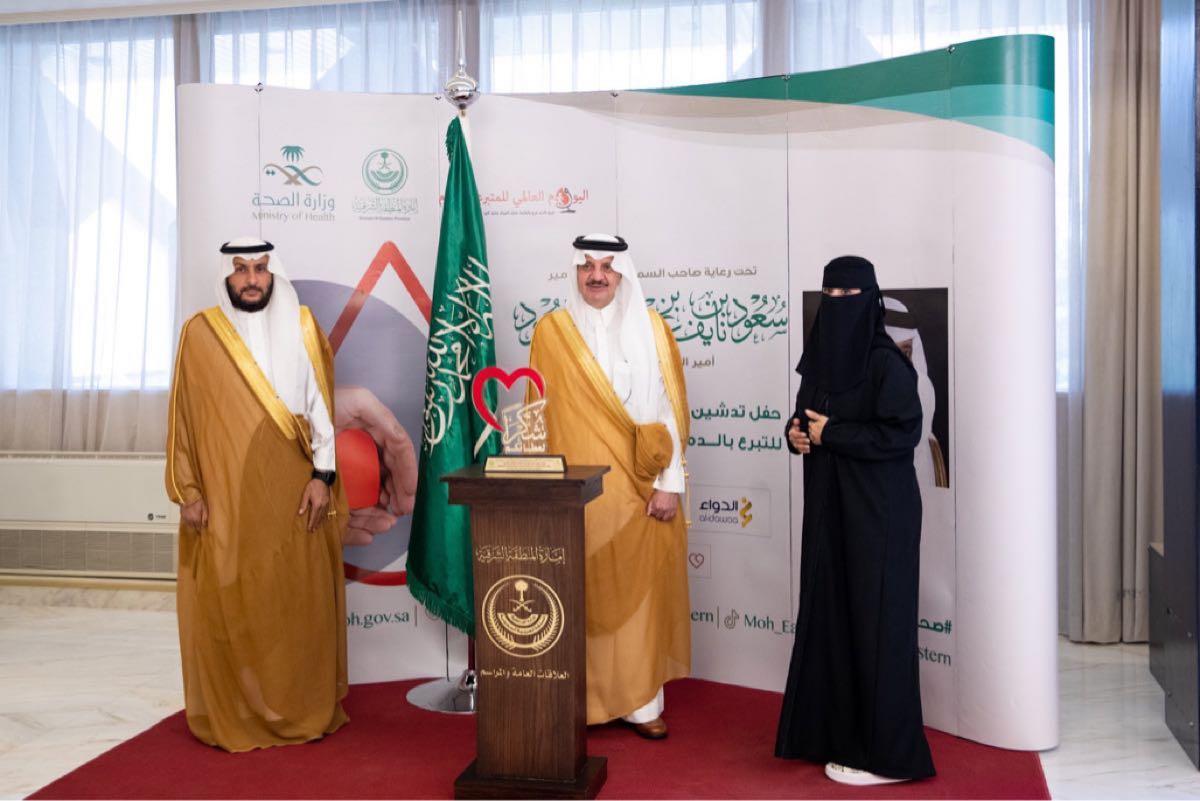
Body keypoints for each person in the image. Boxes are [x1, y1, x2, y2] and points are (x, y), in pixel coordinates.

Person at [165, 237, 349, 752]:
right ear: (226, 276)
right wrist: (188, 490)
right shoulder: (199, 334)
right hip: (225, 492)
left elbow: (321, 410)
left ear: (273, 273)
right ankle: (242, 707)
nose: (251, 279)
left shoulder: (303, 324)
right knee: (234, 596)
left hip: (294, 490)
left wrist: (323, 478)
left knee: (295, 599)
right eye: (242, 269)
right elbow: (182, 420)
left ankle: (297, 704)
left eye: (261, 269)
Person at [775, 255, 934, 785]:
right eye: (830, 295)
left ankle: (887, 757)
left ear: (870, 300)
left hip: (879, 517)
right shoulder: (818, 360)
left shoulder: (887, 363)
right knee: (833, 619)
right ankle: (835, 735)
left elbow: (902, 434)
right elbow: (807, 416)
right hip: (830, 513)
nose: (838, 304)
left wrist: (831, 435)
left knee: (876, 625)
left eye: (849, 296)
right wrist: (796, 434)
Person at [527, 233, 690, 739]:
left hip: (639, 491)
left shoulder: (653, 329)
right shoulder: (551, 332)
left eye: (607, 267)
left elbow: (670, 412)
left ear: (623, 274)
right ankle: (583, 703)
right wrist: (538, 490)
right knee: (581, 595)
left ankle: (641, 703)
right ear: (575, 272)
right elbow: (536, 413)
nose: (596, 276)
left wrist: (669, 483)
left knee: (638, 598)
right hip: (575, 495)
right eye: (587, 266)